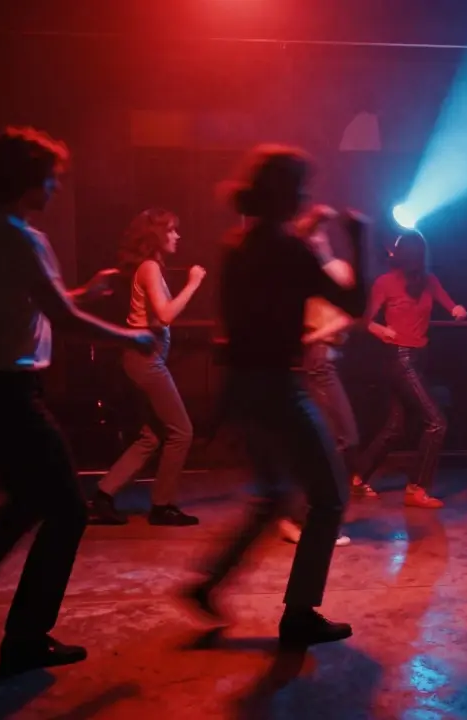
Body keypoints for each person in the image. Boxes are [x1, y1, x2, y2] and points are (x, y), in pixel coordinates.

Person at [0, 127, 157, 674]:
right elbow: (64, 320)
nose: (54, 187)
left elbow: (29, 303)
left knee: (28, 500)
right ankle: (26, 637)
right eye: (51, 177)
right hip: (9, 393)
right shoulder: (24, 238)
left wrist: (80, 292)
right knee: (68, 510)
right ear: (29, 180)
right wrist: (131, 336)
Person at [184, 144, 368, 648]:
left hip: (245, 386)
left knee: (271, 500)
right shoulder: (290, 252)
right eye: (301, 188)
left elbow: (239, 323)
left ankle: (208, 585)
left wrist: (221, 404)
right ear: (285, 195)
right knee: (329, 498)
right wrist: (359, 240)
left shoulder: (236, 247)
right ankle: (300, 613)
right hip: (279, 389)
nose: (306, 196)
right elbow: (353, 302)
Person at [89, 209, 205, 527]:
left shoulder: (150, 267)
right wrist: (193, 283)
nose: (177, 236)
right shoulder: (150, 267)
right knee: (182, 432)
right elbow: (165, 315)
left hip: (144, 360)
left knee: (152, 437)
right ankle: (162, 506)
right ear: (155, 236)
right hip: (145, 361)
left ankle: (103, 494)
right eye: (170, 231)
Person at [355, 230, 467, 509]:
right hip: (400, 358)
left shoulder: (429, 281)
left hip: (418, 358)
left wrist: (458, 311)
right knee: (436, 422)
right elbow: (363, 319)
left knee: (396, 427)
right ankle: (416, 488)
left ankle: (358, 478)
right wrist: (381, 330)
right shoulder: (386, 283)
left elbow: (452, 305)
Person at [278, 204, 358, 547]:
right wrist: (314, 336)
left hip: (324, 356)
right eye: (311, 237)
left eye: (320, 234)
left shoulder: (338, 269)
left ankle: (304, 515)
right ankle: (309, 518)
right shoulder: (303, 279)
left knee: (330, 441)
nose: (319, 240)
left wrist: (316, 334)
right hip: (316, 360)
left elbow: (352, 313)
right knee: (342, 439)